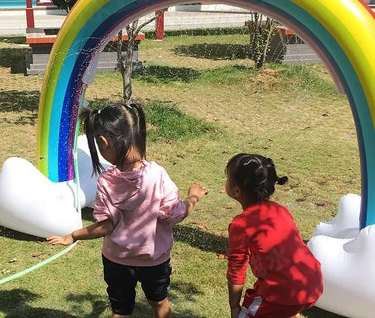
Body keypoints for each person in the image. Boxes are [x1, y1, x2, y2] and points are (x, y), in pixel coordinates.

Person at [48, 102, 208, 318]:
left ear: (104, 142)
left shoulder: (106, 181)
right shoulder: (158, 175)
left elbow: (105, 227)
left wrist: (73, 236)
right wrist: (193, 197)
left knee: (121, 311)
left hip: (117, 261)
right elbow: (175, 213)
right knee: (159, 303)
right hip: (154, 261)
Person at [224, 153, 323, 318]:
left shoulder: (241, 225)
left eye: (227, 178)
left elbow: (236, 269)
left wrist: (235, 308)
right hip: (312, 281)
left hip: (284, 293)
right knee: (287, 309)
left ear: (236, 190)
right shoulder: (279, 209)